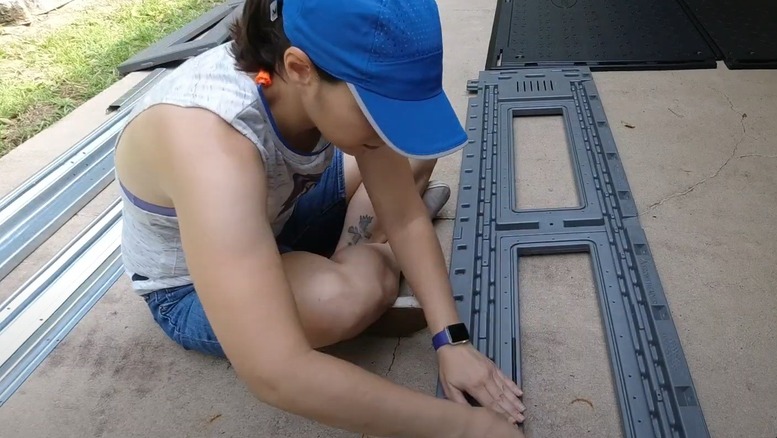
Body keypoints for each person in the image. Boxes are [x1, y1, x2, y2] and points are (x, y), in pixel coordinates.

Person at [114, 0, 526, 436]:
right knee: (345, 298)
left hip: (280, 210)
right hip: (191, 287)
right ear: (299, 68)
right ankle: (367, 267)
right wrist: (464, 428)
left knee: (412, 159)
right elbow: (277, 371)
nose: (385, 126)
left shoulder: (296, 76)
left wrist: (451, 340)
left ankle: (360, 258)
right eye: (377, 107)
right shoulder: (208, 139)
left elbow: (404, 217)